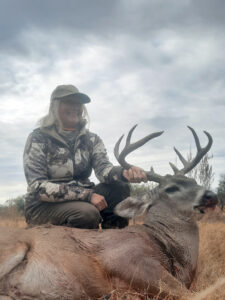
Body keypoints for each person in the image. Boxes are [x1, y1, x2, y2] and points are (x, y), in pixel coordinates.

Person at [23, 84, 147, 229]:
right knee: (87, 214)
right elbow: (38, 187)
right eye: (69, 102)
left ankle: (114, 242)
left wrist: (124, 172)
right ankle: (76, 251)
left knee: (119, 187)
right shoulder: (38, 138)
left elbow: (103, 169)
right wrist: (87, 196)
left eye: (78, 103)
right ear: (54, 107)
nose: (75, 107)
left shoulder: (91, 139)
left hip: (81, 197)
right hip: (43, 206)